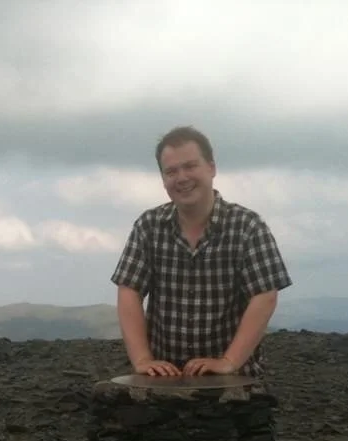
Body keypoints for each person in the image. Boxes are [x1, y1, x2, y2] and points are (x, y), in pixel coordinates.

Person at [110, 125, 292, 378]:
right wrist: (142, 360)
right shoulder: (148, 226)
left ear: (211, 167)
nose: (181, 177)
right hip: (162, 378)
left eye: (190, 166)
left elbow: (265, 296)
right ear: (163, 179)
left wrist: (229, 361)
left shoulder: (248, 227)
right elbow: (129, 290)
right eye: (171, 171)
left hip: (235, 381)